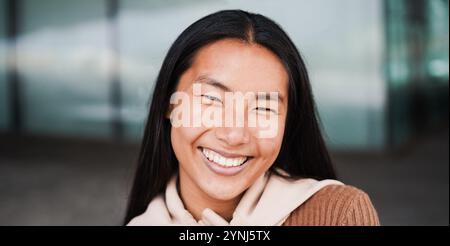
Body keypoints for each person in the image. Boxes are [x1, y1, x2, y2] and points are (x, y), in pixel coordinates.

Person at [124, 10, 379, 226]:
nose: (234, 135)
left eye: (263, 109)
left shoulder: (338, 215)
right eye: (211, 99)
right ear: (169, 104)